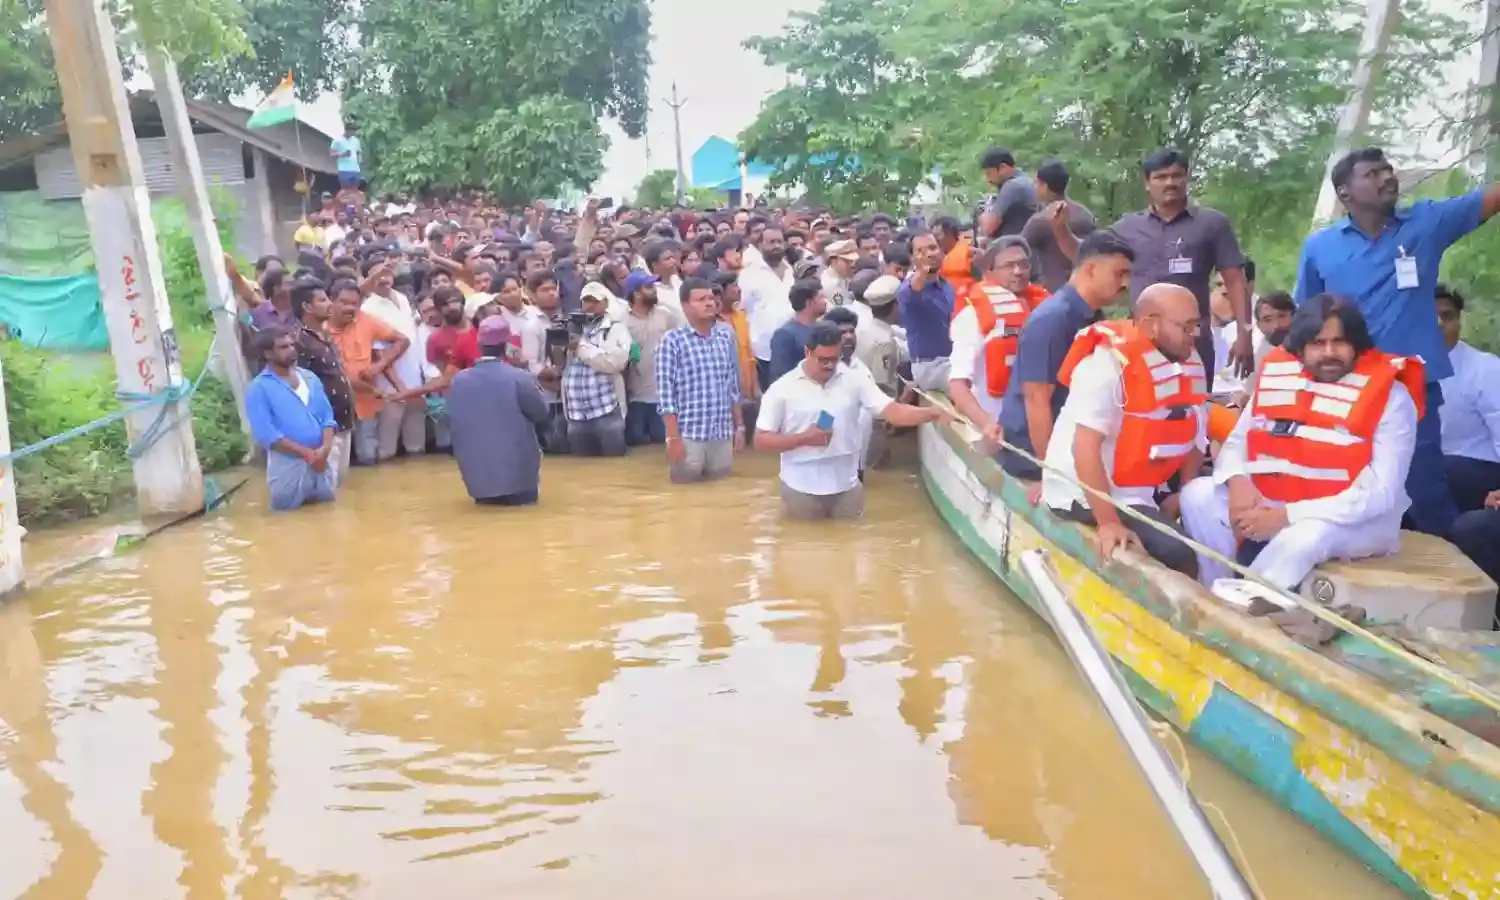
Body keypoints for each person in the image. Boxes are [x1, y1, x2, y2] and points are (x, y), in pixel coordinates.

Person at [1294, 147, 1500, 537]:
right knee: (1345, 481)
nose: (1387, 178)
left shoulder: (1426, 222)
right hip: (1347, 387)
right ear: (1345, 192)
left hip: (1412, 383)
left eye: (1388, 171)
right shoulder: (1320, 247)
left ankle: (1453, 582)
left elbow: (1490, 198)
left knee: (1425, 491)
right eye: (1372, 173)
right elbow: (1307, 320)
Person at [1180, 294, 1424, 590]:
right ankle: (1216, 585)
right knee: (1198, 494)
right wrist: (1237, 481)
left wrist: (1285, 517)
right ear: (1301, 347)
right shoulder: (1279, 378)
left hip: (1350, 521)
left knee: (1308, 534)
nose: (1329, 353)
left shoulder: (1393, 397)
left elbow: (1380, 494)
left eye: (1340, 342)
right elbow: (1238, 441)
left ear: (1357, 344)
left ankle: (1244, 600)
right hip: (1277, 501)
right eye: (1318, 344)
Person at [1044, 284, 1206, 576]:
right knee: (1178, 552)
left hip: (1142, 486)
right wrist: (1107, 522)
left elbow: (1194, 432)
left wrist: (1183, 494)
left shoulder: (1187, 362)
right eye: (1187, 326)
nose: (1195, 334)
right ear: (1150, 324)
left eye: (1198, 325)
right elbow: (1084, 448)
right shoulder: (1105, 366)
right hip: (1084, 492)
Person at [755, 322, 947, 519]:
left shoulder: (855, 379)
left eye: (834, 359)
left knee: (852, 543)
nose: (829, 365)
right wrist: (803, 438)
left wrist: (932, 413)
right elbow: (761, 440)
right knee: (802, 547)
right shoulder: (781, 389)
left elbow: (892, 411)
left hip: (847, 488)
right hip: (801, 489)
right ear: (807, 352)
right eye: (823, 360)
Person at [996, 230, 1134, 486]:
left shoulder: (1093, 317)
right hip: (1032, 453)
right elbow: (1037, 400)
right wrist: (1050, 473)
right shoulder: (1053, 319)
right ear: (1091, 269)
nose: (1125, 283)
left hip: (1070, 441)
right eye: (1119, 273)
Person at [1111, 148, 1252, 388]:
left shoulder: (1212, 223)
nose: (1170, 183)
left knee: (1193, 412)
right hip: (1141, 341)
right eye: (1160, 177)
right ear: (1147, 183)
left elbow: (1235, 280)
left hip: (1193, 342)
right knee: (1140, 413)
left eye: (1176, 176)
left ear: (1187, 178)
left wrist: (1245, 333)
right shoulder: (1128, 227)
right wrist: (1061, 232)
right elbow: (1091, 256)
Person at [446, 317, 551, 506]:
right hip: (518, 478)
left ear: (479, 344)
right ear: (506, 346)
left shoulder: (458, 381)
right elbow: (541, 413)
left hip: (478, 481)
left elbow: (452, 422)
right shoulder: (521, 378)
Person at [656, 277, 747, 483]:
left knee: (722, 493)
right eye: (700, 299)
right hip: (688, 435)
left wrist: (739, 427)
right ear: (685, 306)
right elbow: (666, 395)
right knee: (683, 497)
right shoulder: (672, 341)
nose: (709, 303)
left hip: (722, 434)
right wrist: (673, 438)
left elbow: (733, 386)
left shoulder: (726, 336)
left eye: (710, 298)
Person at [948, 241, 1036, 446]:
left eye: (1024, 264)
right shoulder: (973, 316)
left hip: (1033, 430)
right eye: (1009, 266)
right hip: (993, 433)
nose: (1018, 271)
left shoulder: (1042, 310)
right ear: (989, 271)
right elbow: (957, 385)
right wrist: (987, 424)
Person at [245, 329, 338, 512]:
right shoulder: (259, 388)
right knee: (285, 516)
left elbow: (327, 418)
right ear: (268, 354)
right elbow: (266, 435)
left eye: (291, 345)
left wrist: (325, 448)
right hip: (287, 464)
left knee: (327, 513)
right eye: (283, 347)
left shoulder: (310, 378)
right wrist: (306, 453)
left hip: (321, 460)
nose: (290, 350)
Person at [327, 278, 408, 465]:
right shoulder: (320, 328)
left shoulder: (365, 320)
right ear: (331, 300)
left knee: (368, 459)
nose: (350, 308)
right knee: (334, 463)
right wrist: (376, 391)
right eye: (344, 302)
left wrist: (380, 365)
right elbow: (342, 376)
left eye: (354, 304)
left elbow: (402, 340)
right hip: (332, 408)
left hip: (364, 406)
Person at [1435, 284, 1500, 511]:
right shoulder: (1401, 368)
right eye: (1430, 316)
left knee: (1439, 467)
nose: (1439, 323)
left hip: (1480, 470)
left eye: (1447, 316)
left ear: (1459, 320)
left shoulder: (1486, 368)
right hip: (1430, 473)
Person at [290, 280, 356, 485]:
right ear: (307, 307)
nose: (329, 303)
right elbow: (298, 386)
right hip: (323, 427)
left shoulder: (325, 335)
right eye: (322, 300)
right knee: (327, 485)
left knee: (340, 482)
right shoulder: (298, 341)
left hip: (343, 420)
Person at [360, 261, 426, 459]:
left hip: (415, 383)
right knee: (387, 450)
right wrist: (399, 388)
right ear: (368, 280)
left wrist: (416, 387)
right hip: (389, 387)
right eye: (377, 274)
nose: (384, 278)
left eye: (387, 273)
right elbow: (377, 353)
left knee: (417, 447)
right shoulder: (368, 308)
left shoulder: (402, 298)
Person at [560, 285, 633, 456]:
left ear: (605, 303)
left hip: (606, 410)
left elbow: (615, 363)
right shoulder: (571, 327)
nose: (589, 305)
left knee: (615, 467)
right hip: (576, 412)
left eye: (595, 301)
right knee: (581, 470)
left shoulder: (616, 329)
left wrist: (581, 346)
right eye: (586, 301)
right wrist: (559, 345)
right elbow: (559, 366)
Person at [623, 270, 680, 446]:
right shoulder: (622, 321)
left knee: (663, 443)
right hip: (635, 397)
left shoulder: (666, 315)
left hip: (664, 395)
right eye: (648, 287)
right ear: (635, 293)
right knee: (637, 444)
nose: (654, 291)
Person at [1023, 157, 1097, 291]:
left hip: (1054, 292)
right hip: (1087, 290)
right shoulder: (1085, 214)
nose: (1035, 188)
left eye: (1036, 183)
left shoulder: (1041, 220)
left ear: (1045, 186)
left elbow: (1018, 248)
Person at [897, 230, 955, 389]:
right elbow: (912, 290)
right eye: (920, 251)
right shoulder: (907, 290)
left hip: (953, 359)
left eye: (933, 248)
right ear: (912, 258)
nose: (929, 254)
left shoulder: (947, 287)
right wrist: (923, 271)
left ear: (942, 252)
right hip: (929, 367)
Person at [739, 226, 796, 389]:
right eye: (771, 242)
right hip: (763, 351)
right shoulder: (749, 274)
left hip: (792, 348)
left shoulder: (791, 271)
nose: (777, 246)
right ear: (760, 245)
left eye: (779, 241)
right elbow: (742, 310)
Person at [768, 278, 827, 384]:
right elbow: (780, 376)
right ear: (809, 303)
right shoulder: (785, 335)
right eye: (821, 297)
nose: (825, 302)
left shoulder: (822, 328)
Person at [977, 146, 1039, 241]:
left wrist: (984, 214)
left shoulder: (1012, 186)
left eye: (988, 173)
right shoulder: (1026, 181)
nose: (988, 180)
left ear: (1002, 167)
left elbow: (988, 227)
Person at [331, 120, 362, 190]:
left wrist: (359, 160)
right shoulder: (337, 140)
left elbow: (359, 152)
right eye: (353, 130)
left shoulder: (356, 141)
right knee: (346, 190)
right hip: (344, 169)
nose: (354, 132)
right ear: (348, 130)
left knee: (355, 190)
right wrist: (342, 154)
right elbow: (331, 154)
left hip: (355, 169)